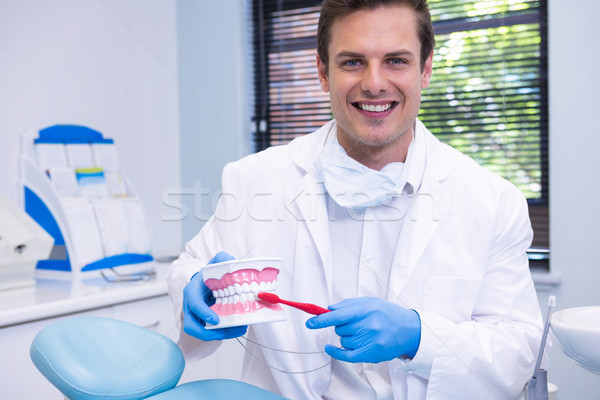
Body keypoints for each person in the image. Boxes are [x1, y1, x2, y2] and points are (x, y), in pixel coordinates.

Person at [167, 0, 545, 398]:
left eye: (397, 60)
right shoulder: (254, 180)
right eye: (352, 62)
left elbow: (520, 349)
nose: (375, 83)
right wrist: (195, 289)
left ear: (426, 69)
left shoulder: (492, 200)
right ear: (322, 72)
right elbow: (193, 268)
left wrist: (421, 337)